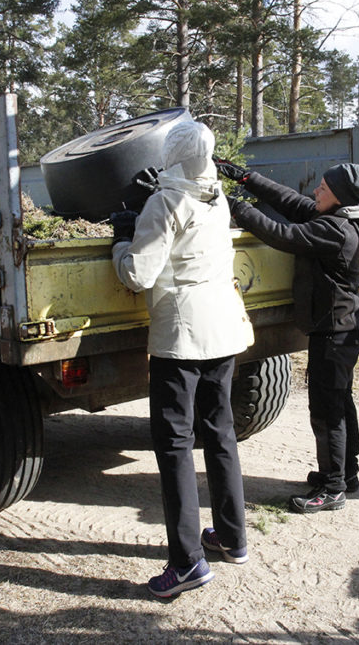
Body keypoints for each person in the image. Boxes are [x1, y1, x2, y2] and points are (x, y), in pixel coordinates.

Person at [110, 120, 253, 598]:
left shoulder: (165, 201)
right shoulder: (217, 197)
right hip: (224, 327)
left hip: (181, 337)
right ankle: (232, 538)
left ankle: (187, 562)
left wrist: (121, 241)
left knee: (173, 445)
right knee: (220, 433)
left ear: (171, 154)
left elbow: (138, 275)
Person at [220, 160, 359, 513]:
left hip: (335, 333)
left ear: (339, 198)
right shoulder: (342, 216)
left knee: (327, 410)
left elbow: (283, 235)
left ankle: (333, 487)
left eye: (323, 187)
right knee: (339, 402)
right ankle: (346, 473)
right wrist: (245, 177)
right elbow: (289, 201)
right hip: (341, 329)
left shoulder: (336, 230)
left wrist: (231, 204)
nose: (316, 191)